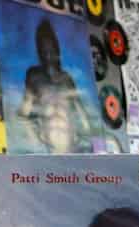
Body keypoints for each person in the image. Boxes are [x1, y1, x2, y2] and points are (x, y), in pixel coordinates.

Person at [18, 18, 96, 153]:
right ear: (39, 52)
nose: (48, 54)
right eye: (44, 50)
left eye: (51, 49)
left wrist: (89, 134)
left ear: (57, 50)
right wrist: (35, 139)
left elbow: (81, 111)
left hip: (72, 140)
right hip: (50, 142)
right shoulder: (34, 76)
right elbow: (23, 115)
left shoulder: (67, 79)